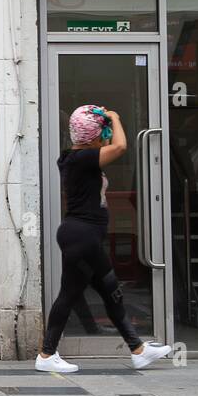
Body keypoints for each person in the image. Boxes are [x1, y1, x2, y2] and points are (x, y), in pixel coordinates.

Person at [37, 105, 173, 373]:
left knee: (111, 293)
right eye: (102, 132)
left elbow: (108, 145)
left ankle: (138, 349)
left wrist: (104, 125)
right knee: (70, 295)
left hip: (81, 236)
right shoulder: (83, 159)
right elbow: (120, 147)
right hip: (82, 238)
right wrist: (116, 117)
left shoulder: (75, 157)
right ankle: (46, 354)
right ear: (92, 137)